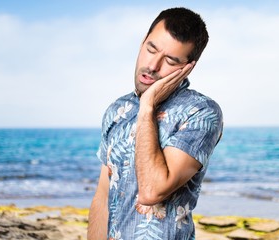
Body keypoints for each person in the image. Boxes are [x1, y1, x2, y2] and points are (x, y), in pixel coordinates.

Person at [87, 7, 223, 240]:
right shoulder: (117, 110)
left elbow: (152, 191)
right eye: (151, 49)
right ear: (143, 42)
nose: (153, 65)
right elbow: (103, 197)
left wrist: (147, 106)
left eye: (170, 60)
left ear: (188, 67)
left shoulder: (201, 112)